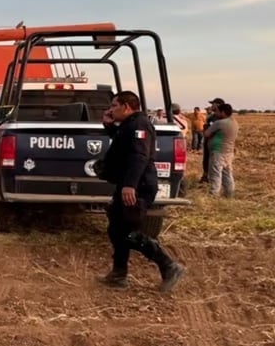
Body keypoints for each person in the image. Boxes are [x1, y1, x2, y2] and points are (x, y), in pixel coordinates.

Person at [98, 90, 186, 292]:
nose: (111, 109)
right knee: (116, 229)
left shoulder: (140, 125)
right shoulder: (129, 125)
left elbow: (139, 156)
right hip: (129, 184)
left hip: (139, 186)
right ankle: (118, 274)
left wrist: (130, 185)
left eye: (114, 106)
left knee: (127, 232)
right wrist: (109, 125)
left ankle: (169, 266)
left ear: (126, 106)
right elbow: (123, 145)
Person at [204, 102, 238, 197]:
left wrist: (207, 127)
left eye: (218, 112)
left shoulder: (219, 123)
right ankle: (229, 193)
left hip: (218, 151)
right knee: (227, 174)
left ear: (223, 112)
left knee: (215, 174)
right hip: (229, 152)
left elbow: (207, 134)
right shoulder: (234, 122)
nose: (216, 114)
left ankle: (214, 194)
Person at [200, 98, 224, 182]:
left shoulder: (221, 117)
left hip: (216, 143)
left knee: (214, 162)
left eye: (213, 104)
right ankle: (205, 176)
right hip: (208, 141)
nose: (211, 106)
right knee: (206, 160)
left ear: (218, 105)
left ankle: (214, 181)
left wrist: (208, 129)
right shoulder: (212, 117)